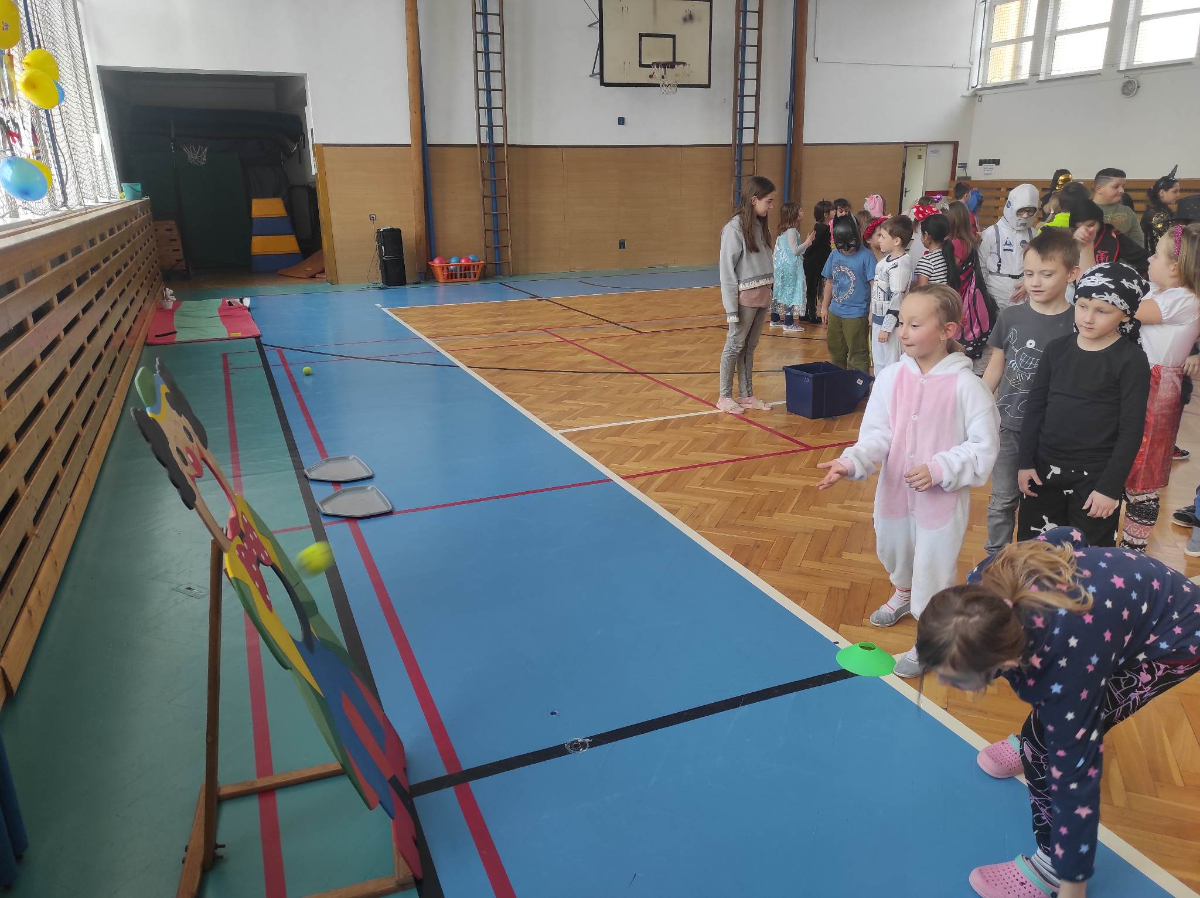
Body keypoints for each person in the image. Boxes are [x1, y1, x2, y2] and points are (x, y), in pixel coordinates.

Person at [916, 528, 1200, 898]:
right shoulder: (984, 584)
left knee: (1048, 748)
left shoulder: (1066, 667)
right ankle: (1036, 740)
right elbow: (1068, 535)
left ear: (1005, 662)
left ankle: (1050, 869)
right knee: (1049, 729)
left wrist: (1072, 885)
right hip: (1124, 610)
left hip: (1176, 639)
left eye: (954, 678)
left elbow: (1076, 780)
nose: (943, 682)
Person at [817, 285, 998, 677]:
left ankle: (929, 640)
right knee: (894, 550)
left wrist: (940, 468)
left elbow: (984, 448)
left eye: (915, 325)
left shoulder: (968, 386)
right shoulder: (891, 378)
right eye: (901, 323)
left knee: (934, 568)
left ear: (947, 330)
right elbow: (878, 434)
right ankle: (902, 591)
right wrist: (851, 462)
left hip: (940, 503)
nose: (902, 332)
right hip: (895, 495)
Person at [1016, 263, 1151, 546]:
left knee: (1088, 559)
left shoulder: (1132, 360)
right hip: (1043, 474)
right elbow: (1035, 409)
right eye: (1082, 306)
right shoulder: (1056, 349)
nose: (1088, 318)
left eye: (1102, 311)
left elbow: (1131, 430)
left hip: (1095, 481)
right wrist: (1025, 462)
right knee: (1035, 557)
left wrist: (1110, 488)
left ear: (1125, 314)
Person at [982, 229, 1080, 557]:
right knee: (1002, 500)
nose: (1035, 282)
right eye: (1029, 274)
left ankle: (1034, 562)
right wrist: (978, 406)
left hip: (1052, 435)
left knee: (1041, 504)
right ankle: (994, 561)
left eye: (1046, 274)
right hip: (1009, 427)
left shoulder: (1078, 322)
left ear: (1071, 274)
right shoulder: (1011, 316)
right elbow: (996, 365)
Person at [1121, 223, 1200, 551]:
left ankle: (1133, 550)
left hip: (1156, 391)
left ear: (1175, 267)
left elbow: (1125, 310)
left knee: (1144, 473)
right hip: (1137, 381)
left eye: (1155, 255)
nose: (1149, 259)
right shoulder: (1161, 291)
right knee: (1124, 460)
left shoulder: (1185, 299)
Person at [718, 174, 776, 414]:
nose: (771, 206)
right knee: (734, 346)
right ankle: (724, 396)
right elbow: (727, 271)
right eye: (768, 201)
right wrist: (731, 308)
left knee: (749, 348)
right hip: (745, 299)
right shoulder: (734, 228)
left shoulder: (760, 226)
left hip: (762, 296)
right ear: (754, 200)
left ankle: (746, 394)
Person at [819, 216, 875, 371]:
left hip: (857, 314)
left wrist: (872, 311)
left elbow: (874, 285)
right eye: (842, 246)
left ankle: (858, 383)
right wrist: (824, 307)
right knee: (836, 351)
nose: (846, 250)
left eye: (849, 245)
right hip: (835, 312)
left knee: (857, 353)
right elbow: (829, 282)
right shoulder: (834, 255)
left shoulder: (867, 256)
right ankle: (839, 380)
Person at [979, 183, 1040, 313]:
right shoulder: (992, 232)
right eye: (1021, 210)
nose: (1025, 215)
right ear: (1011, 207)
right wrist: (984, 292)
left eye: (1030, 211)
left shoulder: (1033, 234)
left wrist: (1028, 284)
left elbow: (1039, 264)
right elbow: (981, 264)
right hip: (995, 290)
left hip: (1023, 290)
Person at [869, 215, 915, 373]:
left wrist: (887, 327)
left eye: (882, 236)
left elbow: (897, 298)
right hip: (878, 320)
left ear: (896, 241)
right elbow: (876, 291)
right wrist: (872, 313)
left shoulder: (901, 265)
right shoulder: (884, 262)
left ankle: (890, 389)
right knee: (879, 362)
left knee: (890, 364)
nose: (879, 240)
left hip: (891, 326)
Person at [1071, 200, 1149, 278]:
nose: (1085, 230)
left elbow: (1143, 259)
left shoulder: (1113, 236)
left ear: (1099, 219)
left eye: (1091, 225)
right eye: (1079, 228)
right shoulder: (1070, 238)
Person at [769, 201, 813, 334]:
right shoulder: (792, 231)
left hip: (781, 267)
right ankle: (788, 322)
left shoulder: (782, 231)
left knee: (780, 291)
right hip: (790, 268)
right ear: (794, 214)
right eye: (800, 211)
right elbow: (795, 250)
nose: (802, 213)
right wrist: (808, 242)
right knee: (791, 292)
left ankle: (775, 318)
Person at [1092, 168, 1144, 248]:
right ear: (1099, 189)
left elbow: (1138, 242)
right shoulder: (1084, 210)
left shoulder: (1127, 211)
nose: (1121, 190)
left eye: (1123, 186)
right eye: (1116, 187)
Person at [803, 200, 834, 324]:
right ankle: (811, 314)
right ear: (825, 214)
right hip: (814, 263)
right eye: (832, 210)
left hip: (816, 262)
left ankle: (807, 313)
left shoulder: (822, 227)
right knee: (812, 288)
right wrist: (805, 255)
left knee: (812, 288)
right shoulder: (822, 228)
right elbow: (813, 245)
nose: (834, 212)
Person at [914, 213, 958, 288]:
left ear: (926, 235)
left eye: (921, 234)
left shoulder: (926, 261)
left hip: (933, 295)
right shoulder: (948, 254)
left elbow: (922, 291)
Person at [1142, 165, 1180, 249]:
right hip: (1155, 255)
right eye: (1175, 191)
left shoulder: (1163, 210)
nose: (1178, 195)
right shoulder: (1156, 214)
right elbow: (1168, 241)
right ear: (1162, 193)